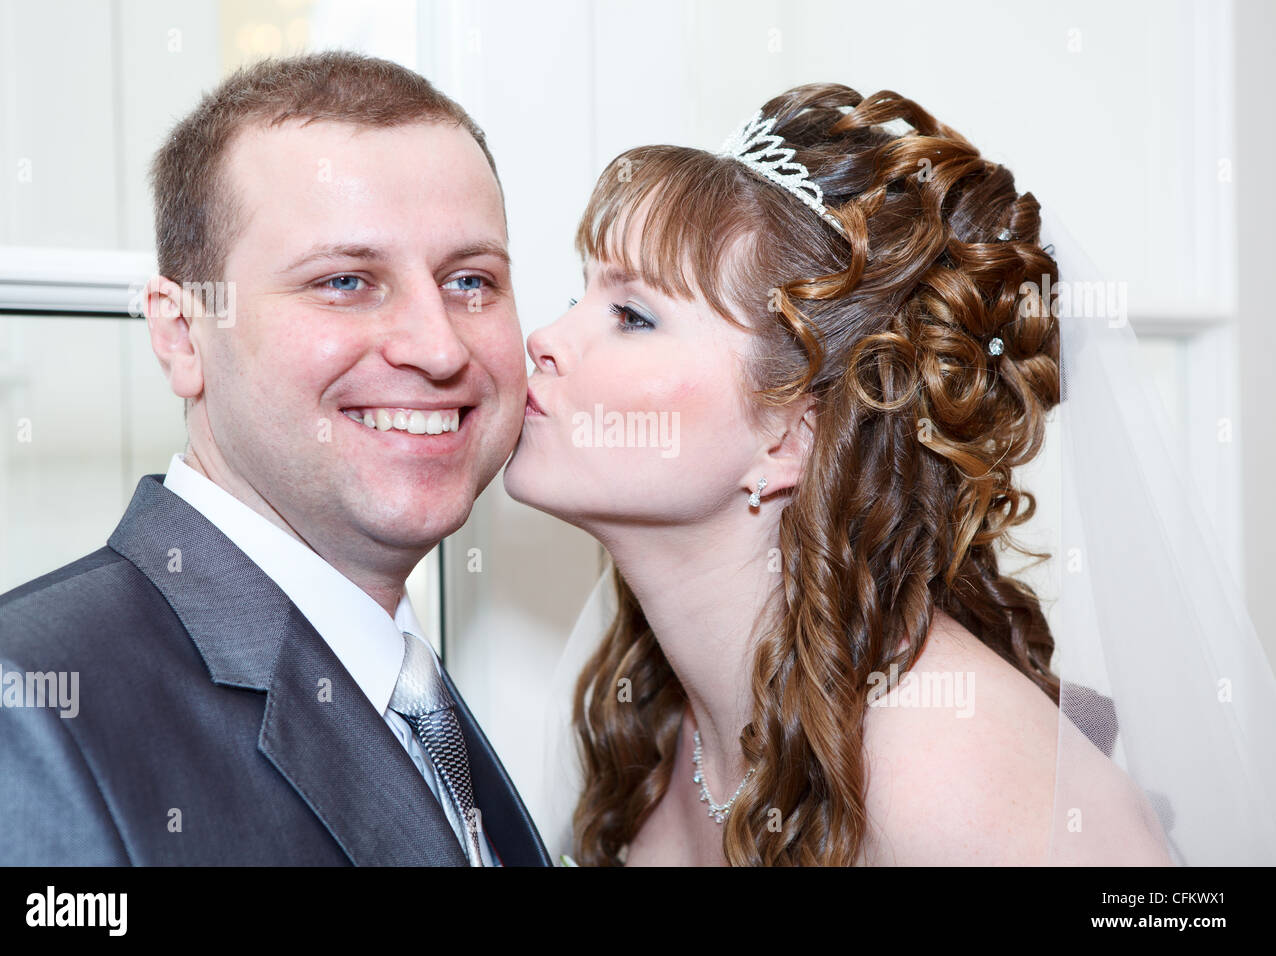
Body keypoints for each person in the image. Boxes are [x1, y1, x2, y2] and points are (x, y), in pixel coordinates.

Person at [506, 82, 1276, 866]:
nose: (543, 338)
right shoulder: (651, 715)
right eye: (580, 293)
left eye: (632, 316)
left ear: (790, 438)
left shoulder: (961, 775)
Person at [0, 51, 549, 866]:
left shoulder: (413, 695)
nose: (438, 346)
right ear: (182, 337)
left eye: (470, 281)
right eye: (346, 281)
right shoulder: (18, 708)